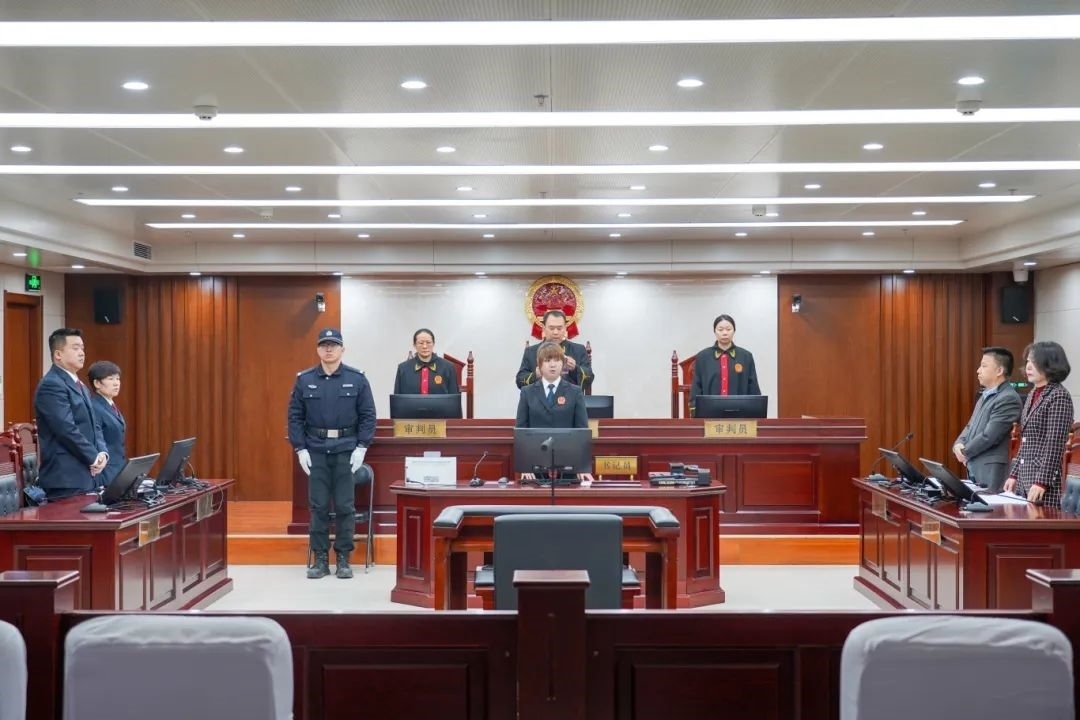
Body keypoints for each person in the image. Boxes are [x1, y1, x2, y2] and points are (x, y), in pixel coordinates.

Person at [287, 328, 376, 580]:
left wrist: (362, 446)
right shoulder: (304, 380)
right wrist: (300, 448)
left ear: (342, 350)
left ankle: (344, 559)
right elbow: (295, 417)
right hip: (316, 450)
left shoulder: (357, 379)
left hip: (346, 449)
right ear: (317, 349)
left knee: (346, 506)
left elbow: (368, 415)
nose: (328, 349)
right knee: (318, 507)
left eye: (333, 345)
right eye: (324, 345)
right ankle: (321, 559)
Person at [32, 328, 108, 499]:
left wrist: (102, 453)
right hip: (65, 477)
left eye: (82, 348)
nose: (81, 353)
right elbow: (65, 429)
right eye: (75, 348)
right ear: (58, 354)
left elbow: (95, 424)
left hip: (88, 474)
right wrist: (92, 457)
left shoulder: (80, 385)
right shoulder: (51, 385)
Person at [1004, 341, 1074, 505]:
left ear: (1050, 364)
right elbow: (1025, 441)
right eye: (1028, 361)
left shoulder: (1059, 396)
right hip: (1024, 477)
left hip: (1043, 483)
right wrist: (1013, 474)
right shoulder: (1032, 394)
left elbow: (1055, 444)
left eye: (1034, 362)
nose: (1028, 366)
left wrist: (1042, 481)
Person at [951, 347, 1023, 493]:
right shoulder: (984, 395)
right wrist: (958, 444)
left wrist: (965, 452)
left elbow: (989, 436)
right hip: (974, 466)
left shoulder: (1008, 398)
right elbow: (970, 426)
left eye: (984, 366)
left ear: (999, 371)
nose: (978, 370)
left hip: (992, 471)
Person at [689, 314, 761, 417]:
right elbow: (696, 386)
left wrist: (755, 411)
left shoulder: (746, 356)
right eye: (720, 329)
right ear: (714, 331)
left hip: (739, 414)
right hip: (710, 414)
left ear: (734, 331)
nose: (725, 333)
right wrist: (695, 410)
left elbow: (753, 387)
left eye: (728, 329)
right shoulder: (703, 357)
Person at [515, 310, 593, 390]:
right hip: (539, 396)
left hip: (570, 396)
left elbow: (590, 378)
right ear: (544, 328)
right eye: (551, 328)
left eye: (559, 328)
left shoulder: (578, 350)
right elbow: (519, 381)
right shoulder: (531, 352)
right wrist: (536, 374)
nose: (555, 332)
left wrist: (575, 369)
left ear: (565, 328)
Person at [87, 360, 127, 487]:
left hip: (118, 472)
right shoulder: (94, 407)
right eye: (111, 379)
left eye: (118, 379)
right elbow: (96, 440)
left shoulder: (110, 405)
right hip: (104, 474)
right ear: (97, 383)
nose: (116, 383)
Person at [393, 328, 460, 395]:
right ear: (414, 345)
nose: (425, 346)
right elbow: (397, 399)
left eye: (428, 342)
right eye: (421, 343)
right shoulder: (403, 369)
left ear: (433, 343)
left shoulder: (448, 367)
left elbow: (454, 398)